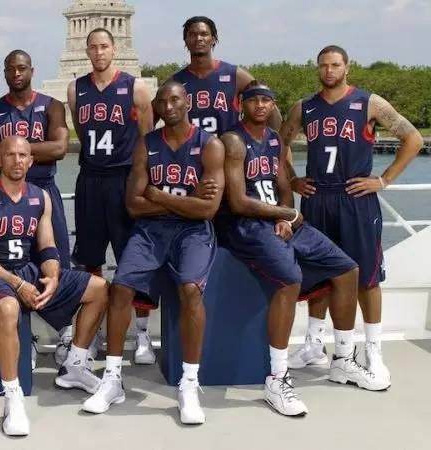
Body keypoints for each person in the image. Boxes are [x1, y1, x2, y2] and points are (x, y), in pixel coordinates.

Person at [220, 82, 377, 416]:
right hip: (245, 225)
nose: (261, 106)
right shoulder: (233, 141)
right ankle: (277, 378)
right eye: (254, 100)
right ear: (241, 104)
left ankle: (343, 359)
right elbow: (237, 202)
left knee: (347, 269)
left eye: (267, 101)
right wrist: (285, 214)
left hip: (277, 219)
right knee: (290, 278)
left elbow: (283, 187)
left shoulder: (274, 140)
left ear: (273, 106)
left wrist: (285, 216)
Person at [135, 16, 284, 356]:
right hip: (192, 174)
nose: (199, 39)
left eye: (204, 34)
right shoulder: (176, 82)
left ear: (214, 38)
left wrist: (271, 143)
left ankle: (231, 322)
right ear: (185, 40)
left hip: (230, 170)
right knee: (191, 241)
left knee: (232, 240)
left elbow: (266, 109)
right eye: (192, 34)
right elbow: (153, 127)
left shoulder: (235, 75)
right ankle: (157, 331)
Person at [82, 81, 224, 424]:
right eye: (162, 101)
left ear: (187, 103)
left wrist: (159, 196)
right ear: (156, 107)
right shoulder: (147, 144)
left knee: (190, 290)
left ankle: (189, 383)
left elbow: (208, 210)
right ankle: (113, 378)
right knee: (120, 288)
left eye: (175, 99)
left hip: (193, 232)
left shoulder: (210, 145)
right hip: (151, 230)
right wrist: (186, 200)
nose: (169, 106)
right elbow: (133, 205)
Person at [280, 45, 423, 382]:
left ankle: (373, 350)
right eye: (323, 65)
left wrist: (383, 180)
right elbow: (280, 144)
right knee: (317, 274)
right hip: (317, 197)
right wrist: (293, 179)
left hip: (355, 198)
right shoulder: (304, 107)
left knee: (366, 277)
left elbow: (413, 139)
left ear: (347, 67)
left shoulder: (369, 102)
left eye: (335, 65)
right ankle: (314, 345)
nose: (329, 70)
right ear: (317, 68)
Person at [0, 136, 108, 436]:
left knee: (99, 288)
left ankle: (75, 365)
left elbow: (48, 247)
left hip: (27, 271)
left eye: (23, 155)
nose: (17, 160)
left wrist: (52, 276)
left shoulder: (40, 197)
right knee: (8, 308)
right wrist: (17, 284)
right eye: (10, 155)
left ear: (31, 161)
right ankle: (12, 395)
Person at [0, 49, 75, 366]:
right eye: (11, 69)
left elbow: (60, 148)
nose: (17, 73)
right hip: (6, 197)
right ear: (5, 72)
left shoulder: (51, 106)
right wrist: (33, 150)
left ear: (32, 70)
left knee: (55, 261)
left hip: (44, 191)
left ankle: (66, 333)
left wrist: (11, 150)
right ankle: (26, 335)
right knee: (14, 264)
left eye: (22, 68)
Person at [67, 27, 153, 363]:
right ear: (87, 51)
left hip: (123, 180)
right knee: (90, 260)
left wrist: (142, 185)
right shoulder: (77, 89)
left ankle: (142, 334)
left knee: (133, 259)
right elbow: (81, 129)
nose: (99, 52)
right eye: (93, 47)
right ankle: (92, 333)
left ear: (114, 49)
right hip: (90, 179)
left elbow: (147, 140)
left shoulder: (135, 87)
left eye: (104, 46)